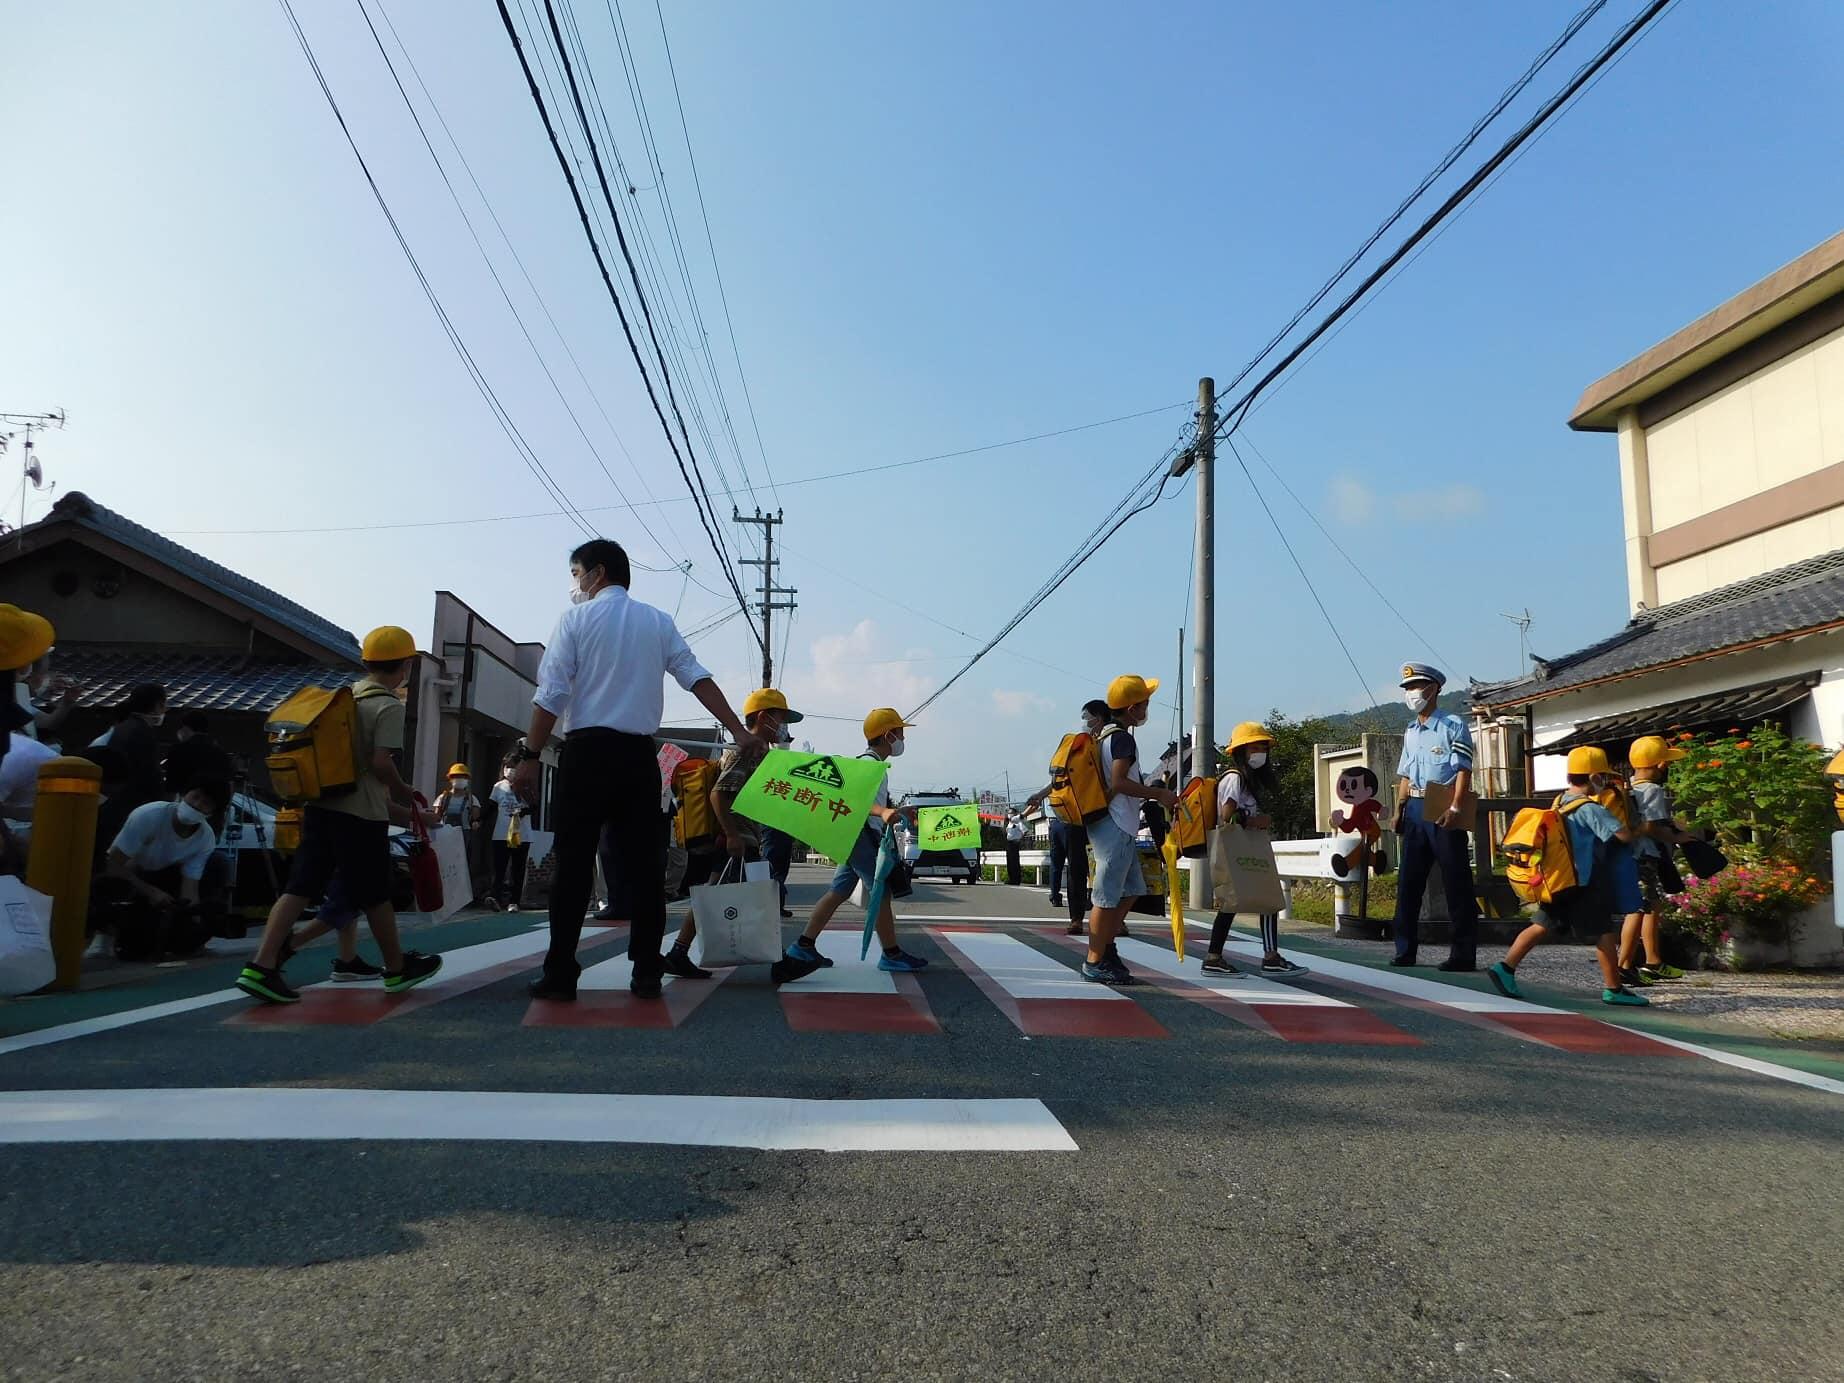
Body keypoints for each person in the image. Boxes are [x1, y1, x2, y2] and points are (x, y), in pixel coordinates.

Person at [515, 540, 812, 1002]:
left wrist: (529, 755)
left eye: (576, 574)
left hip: (586, 753)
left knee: (574, 863)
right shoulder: (656, 621)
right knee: (646, 866)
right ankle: (646, 971)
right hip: (638, 756)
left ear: (596, 573)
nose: (575, 584)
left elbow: (551, 694)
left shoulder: (573, 620)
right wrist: (737, 730)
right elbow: (695, 675)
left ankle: (560, 973)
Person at [236, 626, 442, 1004]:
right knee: (376, 892)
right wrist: (402, 789)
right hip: (360, 815)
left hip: (320, 806)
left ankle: (262, 964)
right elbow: (381, 763)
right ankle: (396, 968)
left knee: (299, 887)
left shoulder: (341, 699)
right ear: (407, 666)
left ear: (365, 662)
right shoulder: (388, 705)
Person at [661, 687, 818, 981]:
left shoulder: (760, 754)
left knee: (733, 895)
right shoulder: (743, 753)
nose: (785, 727)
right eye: (781, 719)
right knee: (761, 898)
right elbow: (719, 795)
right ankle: (779, 963)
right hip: (736, 842)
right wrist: (732, 835)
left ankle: (678, 954)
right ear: (763, 717)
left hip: (744, 841)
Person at [1487, 747, 1649, 1008]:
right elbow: (1622, 836)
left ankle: (1505, 967)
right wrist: (1642, 828)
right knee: (1603, 932)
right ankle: (1614, 988)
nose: (1605, 783)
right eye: (1603, 778)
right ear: (1594, 777)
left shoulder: (1559, 802)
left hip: (1557, 880)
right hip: (1582, 882)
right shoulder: (1590, 808)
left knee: (1540, 925)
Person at [786, 707, 930, 973]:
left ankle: (803, 945)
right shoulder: (869, 765)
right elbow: (854, 803)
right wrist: (883, 811)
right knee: (881, 892)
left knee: (839, 891)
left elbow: (870, 804)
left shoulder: (873, 764)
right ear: (888, 735)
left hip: (855, 834)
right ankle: (891, 953)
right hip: (861, 835)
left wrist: (895, 811)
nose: (902, 740)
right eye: (900, 733)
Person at [1081, 675, 1179, 986]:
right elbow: (1120, 782)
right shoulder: (1122, 738)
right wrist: (1159, 794)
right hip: (1115, 823)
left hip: (1113, 823)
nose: (1147, 709)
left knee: (1134, 890)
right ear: (1133, 707)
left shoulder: (1104, 735)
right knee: (1106, 897)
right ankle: (1094, 960)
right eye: (1146, 703)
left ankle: (1106, 947)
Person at [1389, 662, 1479, 972]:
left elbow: (1464, 770)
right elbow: (1404, 774)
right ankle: (1404, 949)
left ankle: (1463, 954)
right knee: (1409, 882)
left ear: (1435, 688)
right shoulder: (1411, 731)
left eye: (1417, 687)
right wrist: (1398, 810)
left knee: (1456, 881)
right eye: (1408, 689)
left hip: (1443, 804)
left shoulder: (1453, 725)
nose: (1412, 693)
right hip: (1414, 807)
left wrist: (1456, 806)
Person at [1202, 722, 1308, 978]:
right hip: (1238, 847)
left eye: (1264, 747)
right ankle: (1226, 957)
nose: (1262, 751)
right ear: (1242, 750)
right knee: (1238, 901)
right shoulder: (1234, 778)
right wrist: (1255, 822)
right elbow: (1227, 817)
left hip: (1244, 847)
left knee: (1260, 900)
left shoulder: (1245, 780)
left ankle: (1226, 957)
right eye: (1257, 746)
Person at [98, 777, 228, 961]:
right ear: (183, 795)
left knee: (217, 864)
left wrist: (195, 918)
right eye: (195, 797)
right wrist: (150, 892)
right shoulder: (149, 815)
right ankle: (113, 926)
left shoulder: (205, 838)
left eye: (206, 803)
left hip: (165, 877)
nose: (197, 805)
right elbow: (112, 864)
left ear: (212, 812)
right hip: (129, 875)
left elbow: (190, 886)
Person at [1026, 698, 1109, 936]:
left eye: (1087, 717)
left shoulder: (1106, 743)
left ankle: (1105, 917)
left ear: (1099, 717)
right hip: (1083, 813)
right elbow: (1059, 779)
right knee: (1081, 868)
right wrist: (1040, 795)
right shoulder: (1081, 746)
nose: (1084, 722)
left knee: (1096, 867)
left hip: (1090, 814)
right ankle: (1077, 918)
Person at [1619, 735, 1695, 987]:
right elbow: (1652, 827)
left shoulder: (1629, 786)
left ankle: (1653, 960)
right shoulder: (1653, 790)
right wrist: (1680, 837)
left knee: (1651, 905)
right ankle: (1624, 966)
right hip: (1645, 855)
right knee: (1638, 909)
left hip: (1630, 855)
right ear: (1661, 765)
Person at [97, 683, 168, 812]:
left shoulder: (121, 728)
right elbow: (150, 775)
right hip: (132, 805)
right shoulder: (143, 733)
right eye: (163, 705)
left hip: (112, 802)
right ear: (157, 706)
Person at [489, 760, 530, 911]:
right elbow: (492, 807)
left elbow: (535, 807)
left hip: (521, 834)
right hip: (501, 833)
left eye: (514, 767)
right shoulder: (498, 786)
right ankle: (495, 898)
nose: (511, 770)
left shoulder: (527, 785)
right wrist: (478, 820)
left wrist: (522, 812)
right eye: (508, 767)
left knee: (517, 869)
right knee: (499, 868)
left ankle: (514, 901)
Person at [162, 712, 233, 798]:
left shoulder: (179, 749)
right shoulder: (220, 752)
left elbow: (171, 783)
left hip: (184, 798)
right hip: (211, 801)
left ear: (186, 728)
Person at [1003, 809, 1026, 886]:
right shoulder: (1008, 823)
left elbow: (1025, 831)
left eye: (1011, 813)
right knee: (1009, 861)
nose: (1009, 814)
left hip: (1015, 843)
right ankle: (1011, 878)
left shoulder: (1018, 822)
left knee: (1015, 862)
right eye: (1008, 813)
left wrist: (1019, 839)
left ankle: (1016, 879)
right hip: (1008, 843)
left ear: (1015, 814)